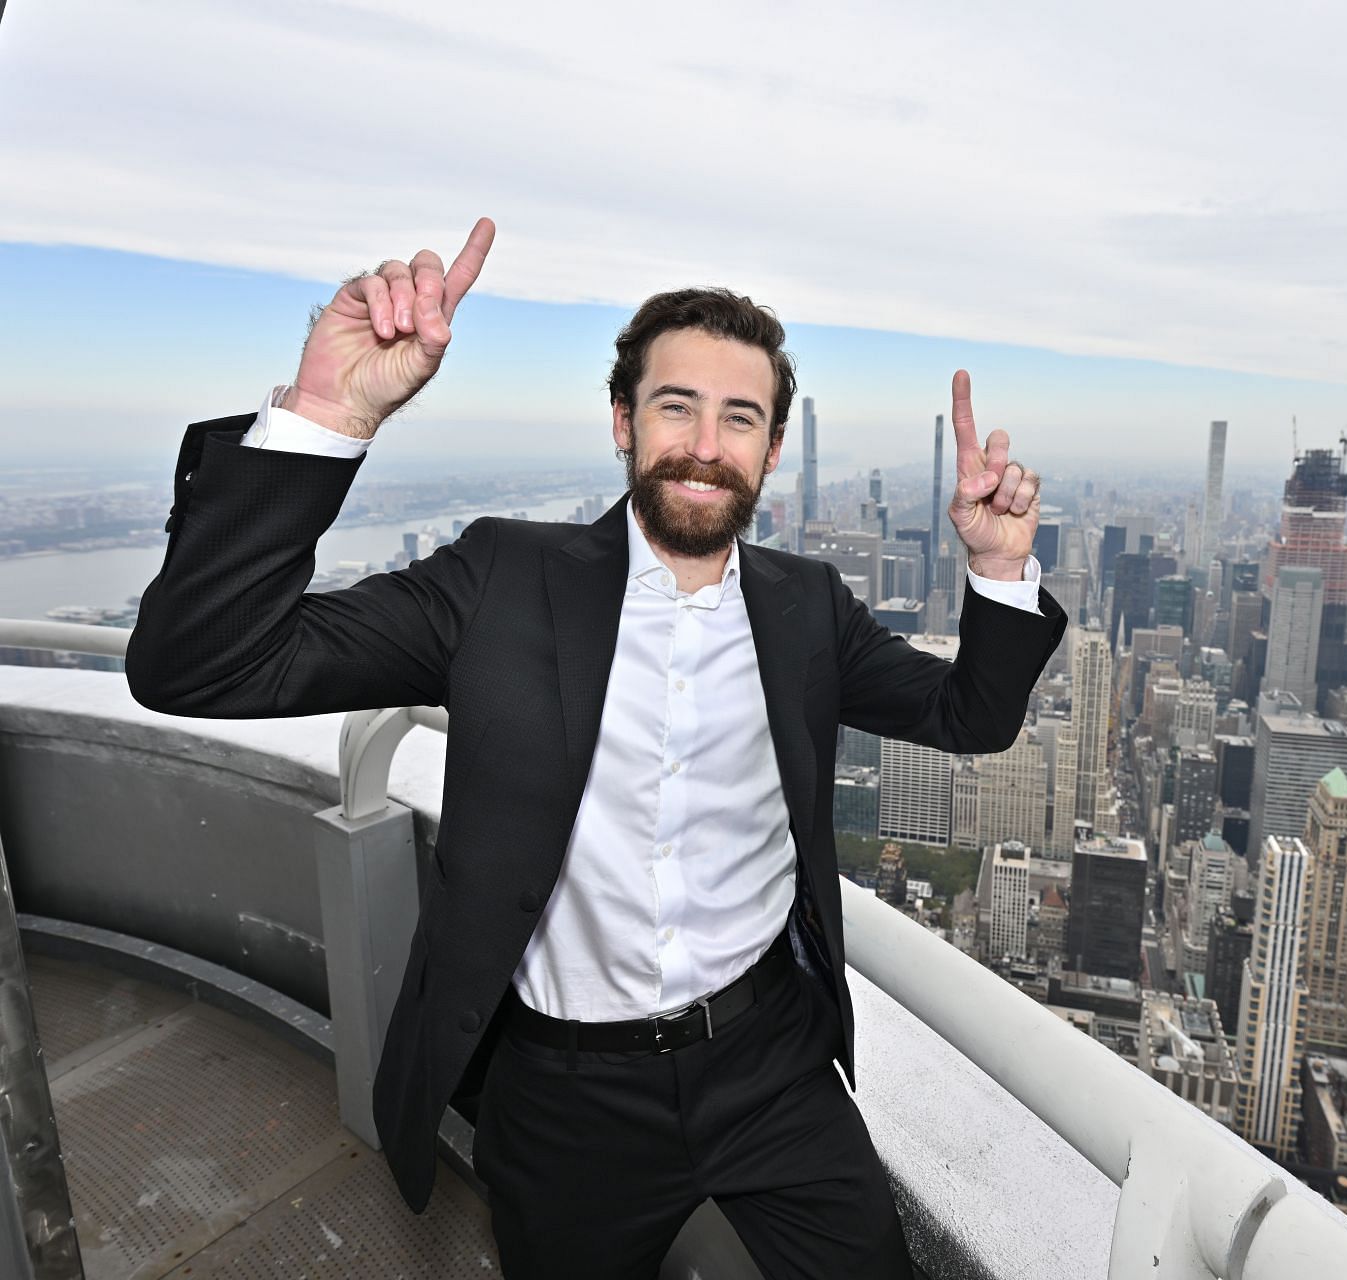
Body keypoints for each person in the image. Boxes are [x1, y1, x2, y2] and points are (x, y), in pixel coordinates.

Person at [125, 217, 1066, 1278]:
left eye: (741, 418)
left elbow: (969, 716)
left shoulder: (807, 607)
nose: (707, 443)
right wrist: (330, 414)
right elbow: (202, 663)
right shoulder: (499, 581)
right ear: (622, 420)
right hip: (562, 1089)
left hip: (771, 1067)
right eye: (677, 406)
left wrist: (996, 569)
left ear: (769, 447)